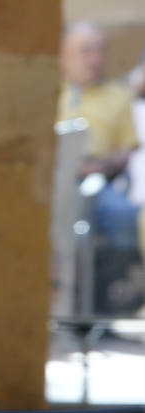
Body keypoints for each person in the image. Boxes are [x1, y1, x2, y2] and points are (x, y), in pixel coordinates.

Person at [58, 21, 141, 257]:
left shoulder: (118, 96)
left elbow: (126, 149)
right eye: (86, 51)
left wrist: (99, 167)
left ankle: (115, 287)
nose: (95, 59)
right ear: (63, 54)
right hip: (53, 178)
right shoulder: (52, 92)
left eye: (100, 51)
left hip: (98, 179)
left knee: (122, 214)